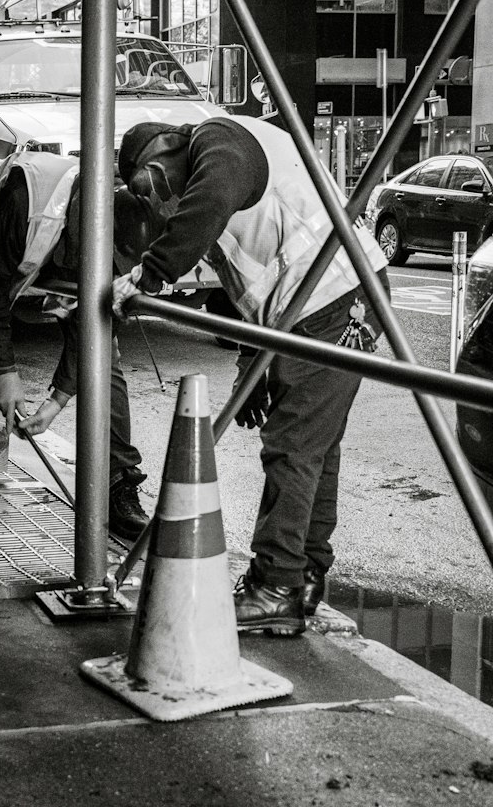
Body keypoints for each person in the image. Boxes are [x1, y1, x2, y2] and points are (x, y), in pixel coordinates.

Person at [112, 117, 389, 637]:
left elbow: (213, 196)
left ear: (159, 164)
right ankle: (302, 577)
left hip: (332, 296)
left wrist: (148, 275)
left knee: (294, 446)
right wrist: (250, 360)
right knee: (314, 447)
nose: (161, 205)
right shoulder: (222, 164)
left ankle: (275, 586)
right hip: (319, 301)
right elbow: (249, 284)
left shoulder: (218, 142)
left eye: (154, 191)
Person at [0, 147, 158, 544]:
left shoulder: (123, 225)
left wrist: (55, 404)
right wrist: (5, 372)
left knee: (105, 354)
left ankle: (119, 483)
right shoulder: (26, 196)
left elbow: (95, 327)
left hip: (60, 237)